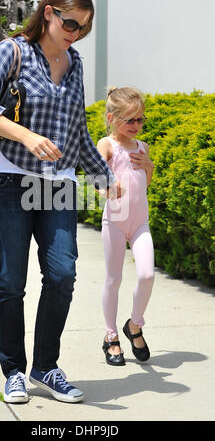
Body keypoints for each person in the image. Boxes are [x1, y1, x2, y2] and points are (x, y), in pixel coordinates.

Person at [0, 0, 119, 404]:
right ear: (48, 13)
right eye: (70, 22)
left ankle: (46, 367)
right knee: (11, 282)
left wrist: (103, 177)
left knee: (62, 274)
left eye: (83, 27)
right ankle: (14, 370)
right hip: (7, 180)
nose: (75, 32)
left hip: (58, 185)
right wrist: (27, 136)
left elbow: (77, 132)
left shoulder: (74, 63)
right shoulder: (12, 52)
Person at [97, 87, 155, 366]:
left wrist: (149, 165)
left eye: (140, 120)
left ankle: (134, 325)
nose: (136, 126)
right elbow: (97, 180)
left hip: (140, 222)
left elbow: (146, 182)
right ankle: (111, 336)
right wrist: (109, 188)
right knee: (114, 279)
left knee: (146, 275)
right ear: (112, 118)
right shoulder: (107, 145)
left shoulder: (143, 148)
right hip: (115, 223)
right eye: (130, 120)